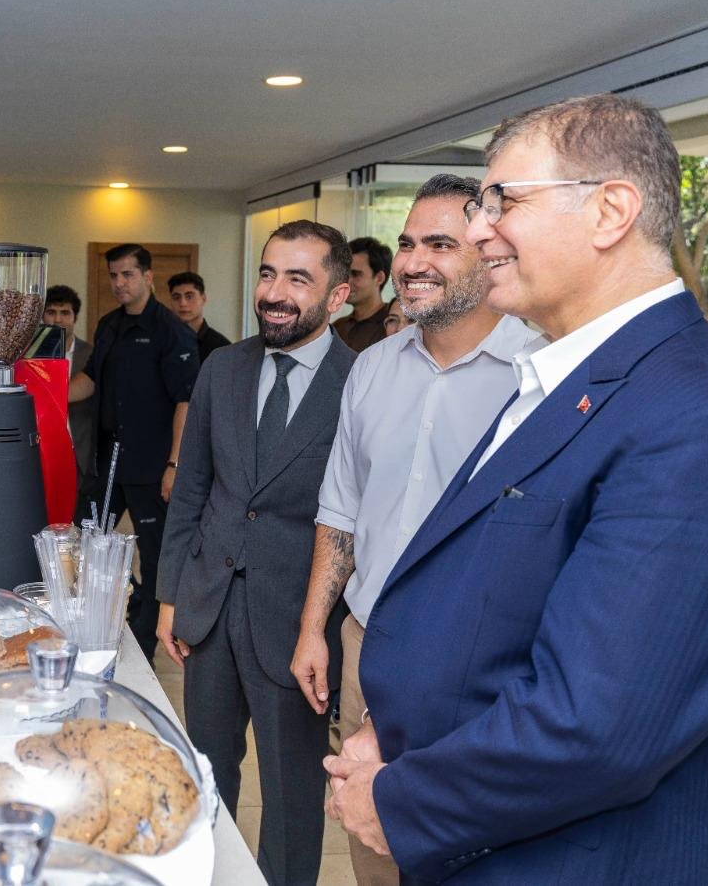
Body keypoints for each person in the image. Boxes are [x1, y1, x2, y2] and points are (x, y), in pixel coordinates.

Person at [326, 94, 708, 882]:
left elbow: (599, 722)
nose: (482, 229)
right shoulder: (573, 376)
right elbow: (502, 614)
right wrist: (408, 730)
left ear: (611, 210)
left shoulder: (700, 420)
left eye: (503, 201)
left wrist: (406, 798)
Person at [292, 174, 541, 886]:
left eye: (439, 244)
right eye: (406, 244)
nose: (412, 262)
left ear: (489, 253)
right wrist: (314, 628)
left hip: (480, 660)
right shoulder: (371, 368)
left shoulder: (539, 374)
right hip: (367, 645)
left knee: (468, 853)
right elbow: (341, 510)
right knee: (373, 849)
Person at [156, 220, 356, 886]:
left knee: (292, 796)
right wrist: (170, 593)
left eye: (298, 279)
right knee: (205, 775)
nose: (274, 292)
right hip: (209, 607)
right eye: (268, 273)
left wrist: (322, 627)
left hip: (297, 625)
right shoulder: (223, 367)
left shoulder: (360, 383)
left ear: (338, 295)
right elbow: (192, 490)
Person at [70, 244, 199, 661]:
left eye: (127, 274)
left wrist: (175, 464)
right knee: (86, 541)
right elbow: (89, 380)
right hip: (107, 462)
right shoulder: (108, 325)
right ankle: (107, 616)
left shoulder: (170, 331)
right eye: (113, 275)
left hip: (152, 464)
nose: (119, 283)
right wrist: (46, 396)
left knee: (155, 557)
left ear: (147, 277)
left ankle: (144, 644)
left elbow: (185, 401)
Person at [44, 284, 98, 519]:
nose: (57, 320)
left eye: (65, 313)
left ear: (75, 317)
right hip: (43, 448)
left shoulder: (91, 354)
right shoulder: (29, 353)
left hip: (80, 449)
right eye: (51, 312)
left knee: (76, 517)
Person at [332, 237, 393, 352]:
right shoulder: (337, 327)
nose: (346, 282)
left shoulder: (394, 325)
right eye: (344, 274)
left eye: (355, 274)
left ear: (379, 278)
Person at [167, 270, 232, 362]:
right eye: (176, 297)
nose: (182, 303)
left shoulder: (221, 347)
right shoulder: (162, 340)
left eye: (189, 297)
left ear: (203, 299)